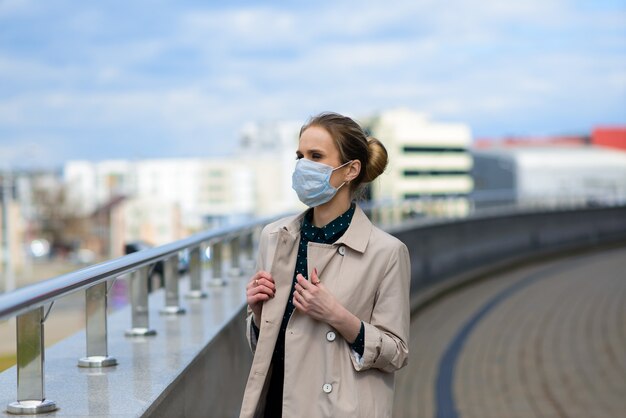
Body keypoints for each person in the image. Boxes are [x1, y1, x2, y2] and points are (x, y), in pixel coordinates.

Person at [240, 112, 411, 418]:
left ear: (351, 170)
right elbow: (277, 348)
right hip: (276, 404)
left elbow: (396, 352)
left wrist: (337, 316)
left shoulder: (386, 252)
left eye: (316, 156)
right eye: (300, 156)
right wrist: (257, 313)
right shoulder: (275, 238)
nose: (303, 166)